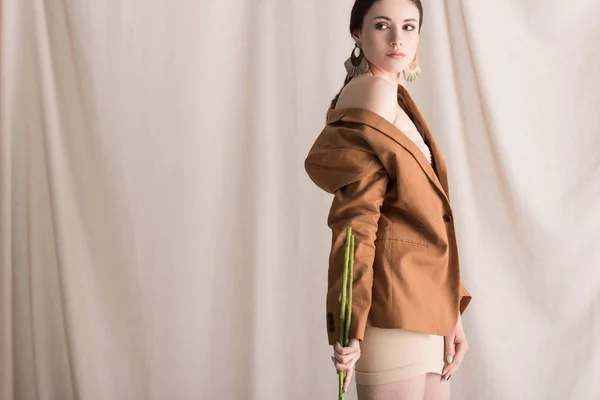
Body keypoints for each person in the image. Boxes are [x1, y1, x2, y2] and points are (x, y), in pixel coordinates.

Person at [304, 0, 473, 399]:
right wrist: (347, 323)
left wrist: (451, 312)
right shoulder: (376, 92)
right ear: (357, 35)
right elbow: (356, 218)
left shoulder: (395, 96)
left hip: (422, 306)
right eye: (383, 25)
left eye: (410, 27)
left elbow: (423, 217)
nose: (399, 38)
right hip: (392, 307)